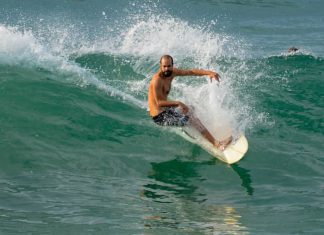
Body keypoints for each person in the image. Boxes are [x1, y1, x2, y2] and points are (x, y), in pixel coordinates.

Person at [148, 55, 232, 150]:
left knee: (191, 108)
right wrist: (179, 103)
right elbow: (159, 103)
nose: (167, 69)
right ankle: (218, 145)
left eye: (169, 66)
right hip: (160, 117)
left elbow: (191, 72)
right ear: (160, 66)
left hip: (167, 110)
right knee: (192, 118)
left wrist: (209, 73)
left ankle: (192, 129)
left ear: (172, 65)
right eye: (164, 66)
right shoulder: (157, 81)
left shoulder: (172, 72)